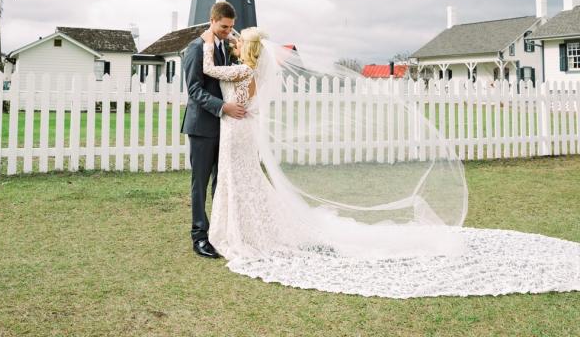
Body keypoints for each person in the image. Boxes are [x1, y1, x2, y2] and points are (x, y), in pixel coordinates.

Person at [198, 28, 580, 298]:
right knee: (240, 181)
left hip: (238, 128)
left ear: (245, 50)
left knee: (241, 180)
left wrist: (207, 44)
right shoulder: (250, 66)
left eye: (237, 41)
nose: (233, 43)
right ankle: (238, 228)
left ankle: (242, 232)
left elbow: (213, 72)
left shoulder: (244, 70)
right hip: (237, 128)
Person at [181, 1, 246, 259]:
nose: (228, 31)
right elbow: (194, 90)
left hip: (224, 127)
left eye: (231, 27)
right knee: (200, 182)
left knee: (221, 181)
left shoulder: (225, 47)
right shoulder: (196, 48)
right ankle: (199, 236)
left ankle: (219, 231)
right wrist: (224, 107)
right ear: (212, 20)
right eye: (223, 26)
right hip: (202, 127)